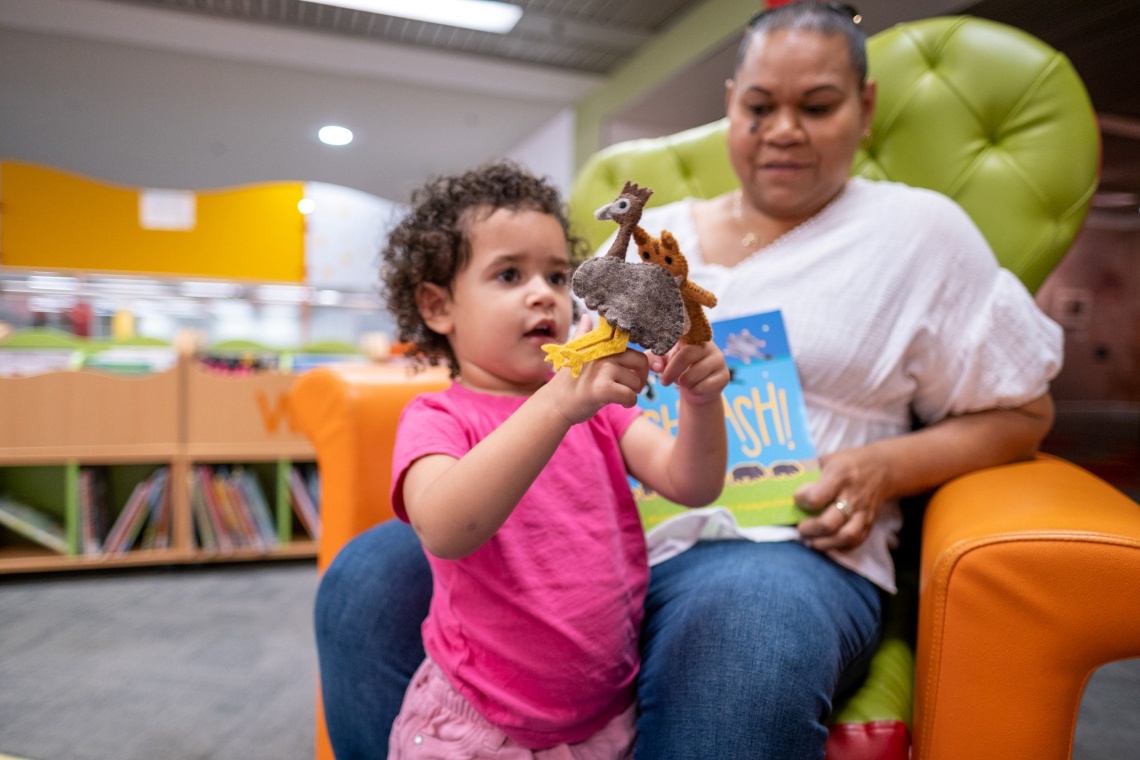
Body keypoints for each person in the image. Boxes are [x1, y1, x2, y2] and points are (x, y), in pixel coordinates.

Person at [314, 3, 1062, 758]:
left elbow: (1021, 411)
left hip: (776, 540)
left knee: (740, 627)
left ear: (865, 108)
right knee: (370, 574)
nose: (783, 131)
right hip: (574, 520)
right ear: (731, 101)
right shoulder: (647, 235)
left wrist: (882, 470)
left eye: (818, 105)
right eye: (760, 107)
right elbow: (539, 384)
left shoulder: (919, 233)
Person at [374, 161, 730, 758]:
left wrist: (700, 401)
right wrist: (557, 403)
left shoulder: (600, 408)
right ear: (438, 307)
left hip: (603, 720)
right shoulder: (439, 418)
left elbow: (690, 483)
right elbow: (442, 528)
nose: (543, 293)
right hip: (481, 725)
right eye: (509, 274)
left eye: (558, 275)